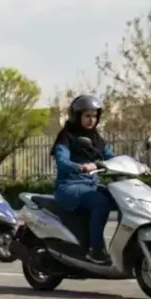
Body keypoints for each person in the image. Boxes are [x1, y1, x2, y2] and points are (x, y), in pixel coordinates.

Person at [51, 94, 115, 264]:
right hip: (69, 186)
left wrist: (131, 164)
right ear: (77, 116)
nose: (91, 120)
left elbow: (110, 157)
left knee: (119, 198)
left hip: (91, 185)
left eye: (94, 116)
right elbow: (62, 161)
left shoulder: (96, 138)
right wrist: (81, 166)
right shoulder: (66, 136)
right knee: (100, 203)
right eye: (87, 116)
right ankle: (96, 251)